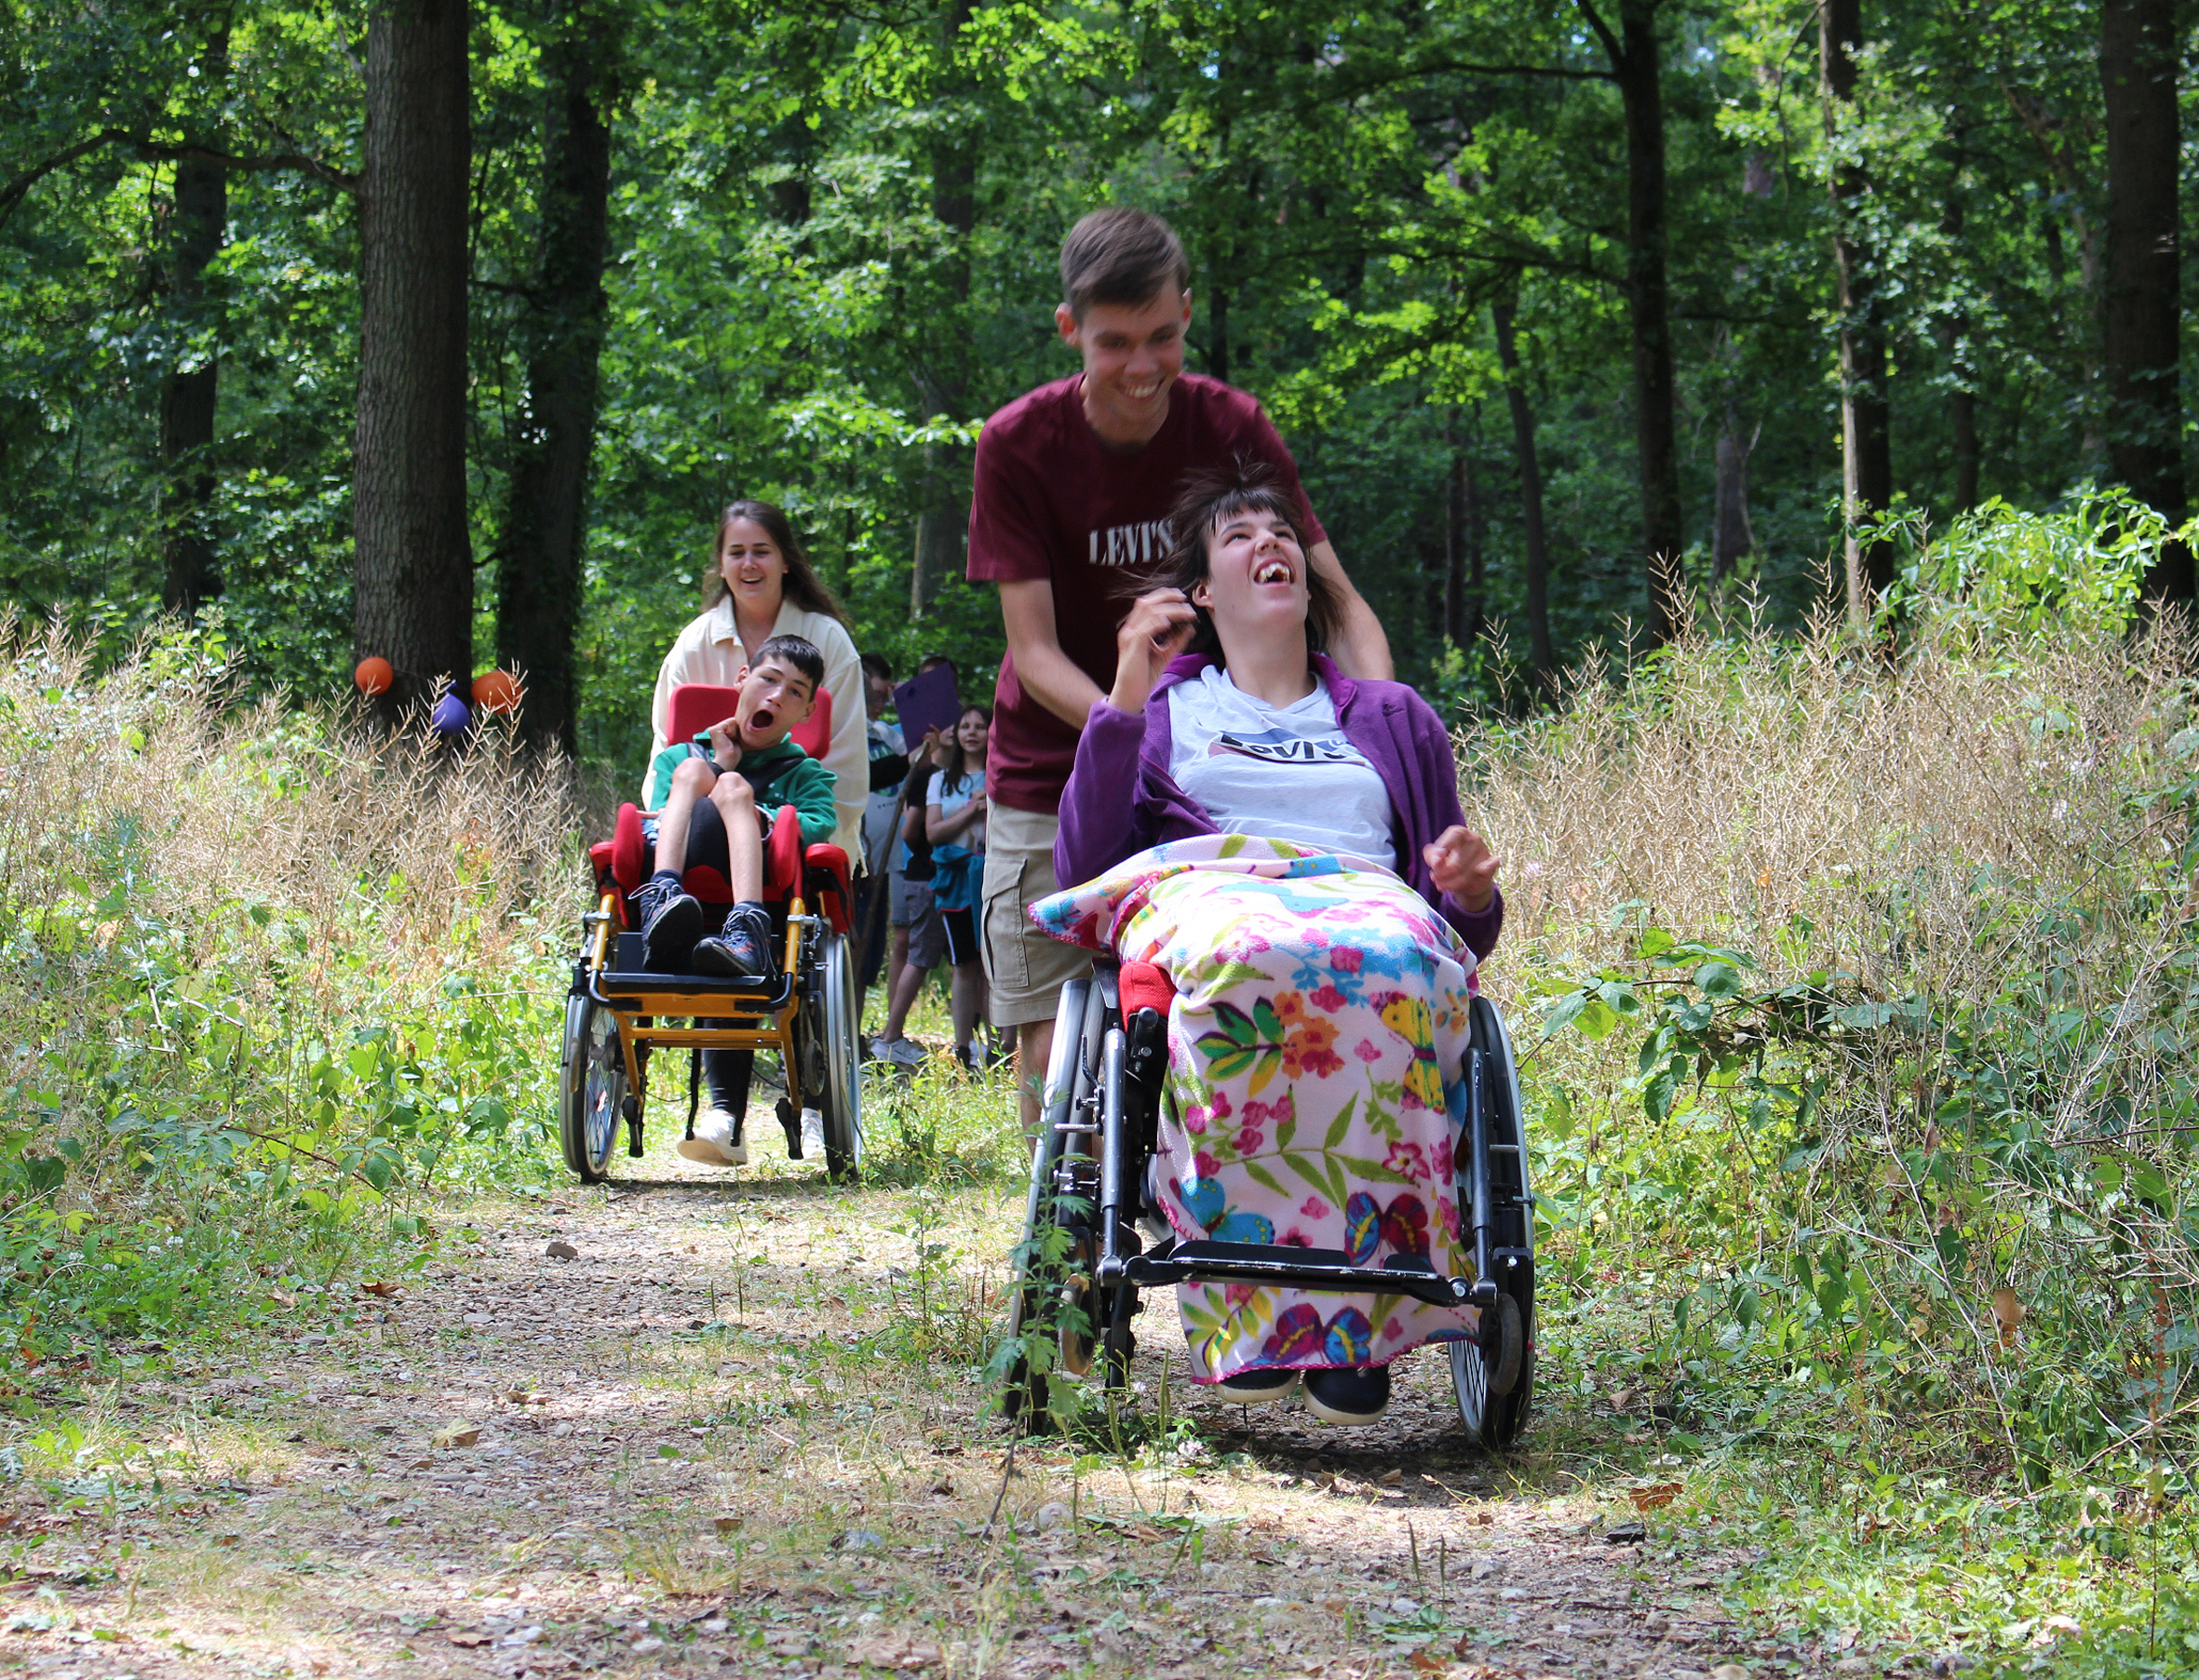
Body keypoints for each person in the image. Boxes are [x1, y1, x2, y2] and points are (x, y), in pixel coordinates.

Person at [1033, 466, 1503, 1427]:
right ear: (1201, 590)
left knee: (1405, 964)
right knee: (1243, 957)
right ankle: (1246, 1298)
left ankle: (1360, 1316)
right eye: (1238, 535)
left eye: (1278, 530)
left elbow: (1466, 921)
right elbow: (1083, 859)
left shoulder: (1391, 716)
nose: (1269, 543)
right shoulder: (1168, 711)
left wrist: (1469, 885)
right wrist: (1123, 687)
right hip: (1212, 890)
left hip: (1367, 900)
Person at [966, 207, 1394, 1139]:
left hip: (1213, 764)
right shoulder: (1016, 443)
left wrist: (1382, 725)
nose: (1143, 366)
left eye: (1163, 336)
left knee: (1235, 987)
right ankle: (1068, 1243)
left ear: (1187, 313)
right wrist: (1133, 725)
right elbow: (1033, 652)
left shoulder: (1230, 425)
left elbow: (1340, 601)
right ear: (1069, 328)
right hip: (1055, 765)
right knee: (1050, 1035)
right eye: (1115, 342)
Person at [628, 635, 839, 1167]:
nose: (775, 696)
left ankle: (745, 927)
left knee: (735, 790)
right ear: (742, 679)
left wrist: (750, 799)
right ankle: (662, 898)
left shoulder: (804, 773)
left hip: (757, 895)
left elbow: (820, 823)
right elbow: (655, 815)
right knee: (693, 773)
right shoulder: (686, 754)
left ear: (807, 711)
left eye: (794, 692)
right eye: (768, 679)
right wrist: (719, 764)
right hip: (685, 889)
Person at [650, 501, 866, 856]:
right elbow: (664, 751)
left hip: (801, 855)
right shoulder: (693, 644)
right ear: (721, 564)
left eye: (761, 551)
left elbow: (846, 768)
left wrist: (789, 839)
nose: (749, 564)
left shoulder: (829, 641)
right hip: (691, 847)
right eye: (736, 553)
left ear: (786, 562)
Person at [924, 705, 992, 1068]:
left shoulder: (1001, 775)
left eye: (980, 726)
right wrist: (969, 811)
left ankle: (1001, 1044)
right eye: (964, 725)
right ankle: (963, 1046)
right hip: (955, 881)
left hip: (994, 876)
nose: (971, 733)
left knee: (995, 963)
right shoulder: (940, 780)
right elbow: (932, 833)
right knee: (964, 962)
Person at [857, 652, 907, 996]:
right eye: (872, 695)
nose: (879, 702)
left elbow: (925, 755)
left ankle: (854, 1033)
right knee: (851, 943)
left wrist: (905, 700)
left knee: (869, 954)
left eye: (882, 696)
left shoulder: (888, 734)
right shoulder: (841, 737)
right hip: (853, 862)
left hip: (884, 862)